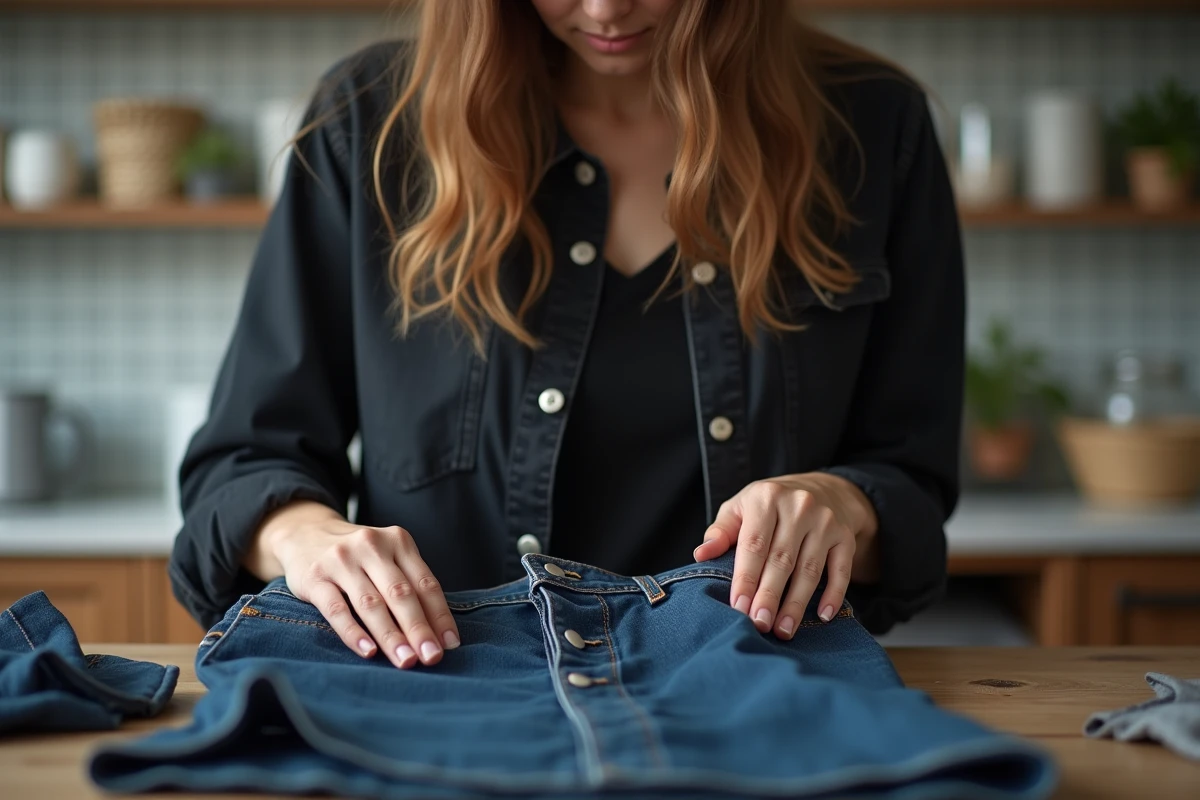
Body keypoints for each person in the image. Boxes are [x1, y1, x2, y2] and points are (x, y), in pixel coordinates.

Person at [170, 0, 964, 673]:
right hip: (442, 698)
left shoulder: (874, 125)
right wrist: (305, 536)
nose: (607, 9)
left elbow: (910, 481)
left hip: (757, 697)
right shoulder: (370, 120)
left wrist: (845, 505)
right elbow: (244, 463)